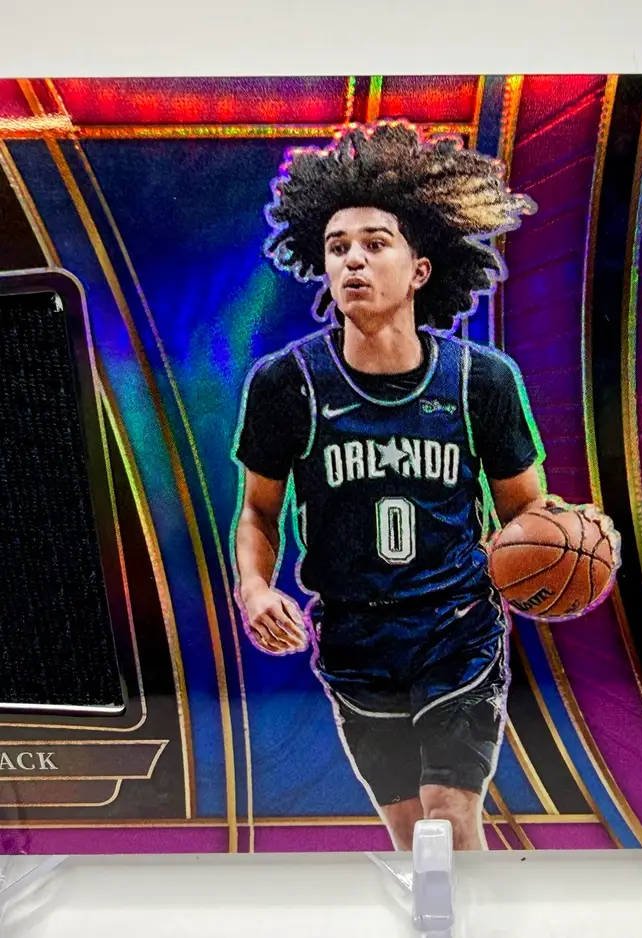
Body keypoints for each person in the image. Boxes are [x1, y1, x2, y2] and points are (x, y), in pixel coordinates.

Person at [233, 121, 608, 850]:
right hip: (352, 636)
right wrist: (254, 587)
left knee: (450, 821)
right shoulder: (287, 383)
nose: (353, 259)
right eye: (337, 246)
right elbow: (257, 510)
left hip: (456, 629)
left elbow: (525, 510)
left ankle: (472, 909)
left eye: (375, 243)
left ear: (420, 270)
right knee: (413, 840)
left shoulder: (481, 379)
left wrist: (566, 544)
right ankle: (442, 904)